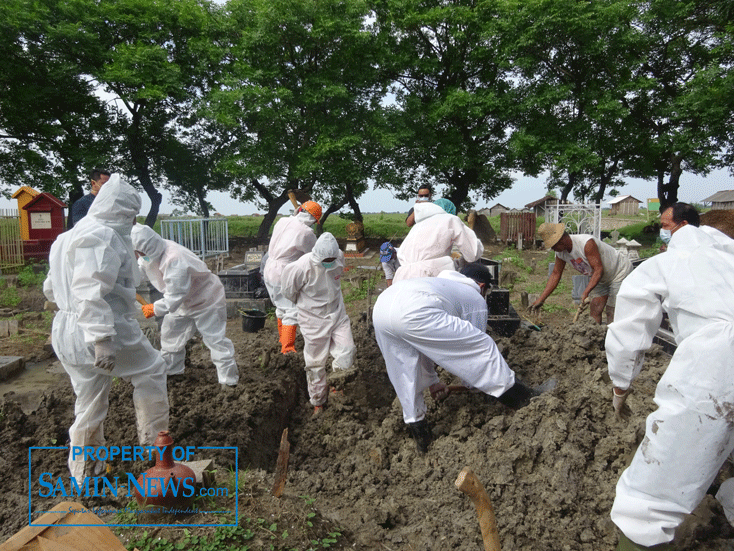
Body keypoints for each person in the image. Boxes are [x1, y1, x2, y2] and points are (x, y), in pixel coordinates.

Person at [605, 223, 734, 550]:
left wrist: (620, 386)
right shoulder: (728, 258)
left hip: (720, 363)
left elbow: (628, 336)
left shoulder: (665, 263)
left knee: (649, 503)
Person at [43, 174, 169, 485]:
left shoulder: (66, 238)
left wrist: (63, 303)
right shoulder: (103, 236)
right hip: (102, 329)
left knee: (90, 399)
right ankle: (157, 453)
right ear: (124, 212)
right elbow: (89, 288)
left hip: (67, 330)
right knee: (152, 369)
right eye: (131, 215)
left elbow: (50, 288)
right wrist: (100, 338)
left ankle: (87, 473)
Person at [373, 263, 547, 453]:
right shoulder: (475, 297)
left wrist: (433, 382)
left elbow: (421, 347)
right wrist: (472, 384)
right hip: (412, 310)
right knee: (484, 347)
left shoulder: (439, 285)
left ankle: (420, 433)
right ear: (482, 287)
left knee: (404, 368)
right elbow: (473, 352)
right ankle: (525, 400)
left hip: (382, 307)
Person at [131, 224, 239, 390]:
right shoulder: (152, 251)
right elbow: (144, 269)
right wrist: (127, 278)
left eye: (139, 253)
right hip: (183, 303)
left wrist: (155, 308)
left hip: (205, 300)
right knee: (170, 335)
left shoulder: (174, 259)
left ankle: (229, 381)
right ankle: (172, 372)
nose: (138, 256)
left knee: (215, 340)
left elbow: (175, 295)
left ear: (145, 248)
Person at [281, 232, 356, 416]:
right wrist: (307, 305)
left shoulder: (339, 257)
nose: (331, 261)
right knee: (315, 362)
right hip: (313, 318)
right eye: (327, 259)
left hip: (337, 312)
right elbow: (288, 291)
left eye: (333, 258)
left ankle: (337, 389)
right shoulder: (300, 268)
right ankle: (318, 401)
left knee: (347, 350)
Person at [530, 223, 632, 324]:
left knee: (612, 311)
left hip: (619, 271)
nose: (552, 249)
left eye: (553, 245)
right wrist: (542, 299)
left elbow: (598, 269)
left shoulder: (586, 243)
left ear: (561, 240)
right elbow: (556, 274)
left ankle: (614, 338)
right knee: (595, 309)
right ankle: (594, 337)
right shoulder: (560, 253)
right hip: (600, 278)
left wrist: (586, 292)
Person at [263, 200, 321, 354]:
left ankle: (283, 339)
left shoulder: (282, 221)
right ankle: (287, 349)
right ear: (314, 219)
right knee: (291, 310)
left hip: (268, 267)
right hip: (283, 272)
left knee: (280, 307)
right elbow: (313, 255)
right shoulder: (306, 233)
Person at [394, 198, 483, 282]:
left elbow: (429, 253)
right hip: (426, 277)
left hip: (400, 278)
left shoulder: (418, 225)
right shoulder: (450, 219)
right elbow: (472, 253)